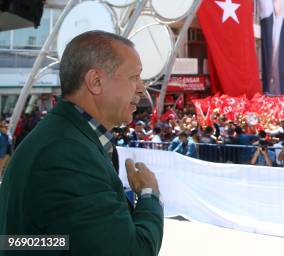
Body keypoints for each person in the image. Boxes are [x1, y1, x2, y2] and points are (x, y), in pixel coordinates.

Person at [0, 31, 163, 255]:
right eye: (134, 77)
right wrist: (149, 195)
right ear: (95, 81)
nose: (142, 89)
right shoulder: (67, 153)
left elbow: (50, 239)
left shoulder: (67, 138)